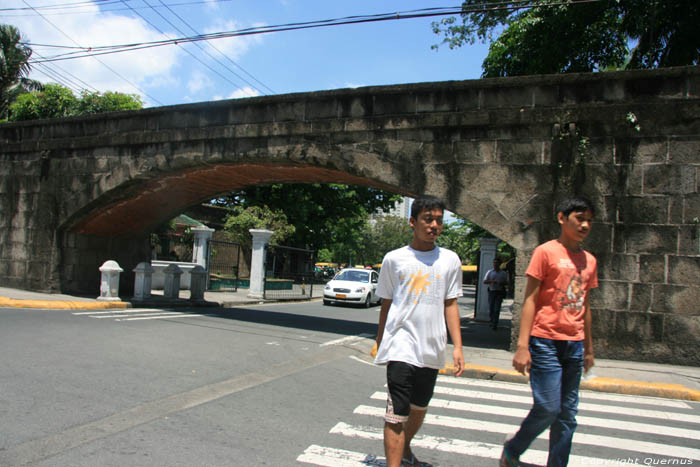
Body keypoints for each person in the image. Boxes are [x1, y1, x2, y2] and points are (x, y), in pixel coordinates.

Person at [501, 197, 598, 467]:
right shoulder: (546, 252)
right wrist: (522, 346)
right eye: (580, 218)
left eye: (589, 220)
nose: (585, 224)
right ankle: (513, 448)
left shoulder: (589, 261)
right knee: (548, 408)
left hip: (575, 345)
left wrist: (589, 349)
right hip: (545, 341)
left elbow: (586, 305)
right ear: (562, 218)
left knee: (568, 414)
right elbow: (530, 299)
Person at [374, 195, 465, 467]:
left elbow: (450, 303)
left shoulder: (450, 259)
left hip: (432, 347)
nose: (434, 225)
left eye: (438, 220)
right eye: (428, 219)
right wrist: (381, 341)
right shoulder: (394, 259)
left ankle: (405, 450)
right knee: (396, 413)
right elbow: (386, 305)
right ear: (413, 222)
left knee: (419, 409)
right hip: (401, 346)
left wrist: (457, 346)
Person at [483, 258, 509, 330]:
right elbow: (485, 281)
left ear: (499, 264)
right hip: (492, 291)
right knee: (491, 308)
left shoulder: (503, 273)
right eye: (494, 263)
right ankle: (492, 321)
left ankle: (495, 323)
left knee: (496, 309)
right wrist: (492, 281)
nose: (495, 264)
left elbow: (507, 282)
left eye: (497, 263)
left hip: (499, 292)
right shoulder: (490, 272)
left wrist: (502, 283)